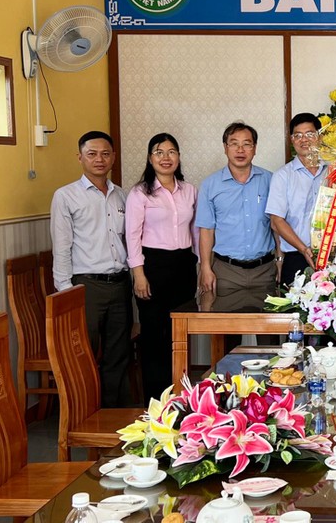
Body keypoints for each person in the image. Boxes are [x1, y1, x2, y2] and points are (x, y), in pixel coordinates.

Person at [50, 130, 132, 407]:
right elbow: (61, 246)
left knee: (117, 353)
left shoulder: (122, 195)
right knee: (82, 352)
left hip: (120, 283)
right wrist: (66, 292)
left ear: (113, 158)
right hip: (85, 286)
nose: (99, 159)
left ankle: (111, 412)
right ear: (80, 157)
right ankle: (83, 411)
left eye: (105, 154)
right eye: (92, 154)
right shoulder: (66, 196)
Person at [125, 133, 198, 402]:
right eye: (159, 152)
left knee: (180, 335)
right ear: (149, 158)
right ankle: (156, 403)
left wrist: (201, 265)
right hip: (152, 267)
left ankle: (182, 398)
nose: (165, 158)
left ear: (178, 157)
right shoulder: (139, 193)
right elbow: (132, 235)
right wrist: (139, 274)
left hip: (183, 266)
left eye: (171, 152)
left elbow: (196, 231)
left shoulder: (189, 190)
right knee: (155, 337)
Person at [196, 122, 277, 315]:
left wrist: (280, 259)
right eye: (234, 143)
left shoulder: (270, 180)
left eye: (247, 144)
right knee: (225, 336)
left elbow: (277, 224)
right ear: (225, 148)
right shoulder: (210, 185)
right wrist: (206, 268)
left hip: (264, 270)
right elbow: (206, 230)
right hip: (226, 272)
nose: (240, 150)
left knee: (269, 338)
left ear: (255, 148)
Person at [266, 113, 328, 286]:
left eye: (309, 134)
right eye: (298, 135)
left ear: (319, 137)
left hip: (333, 256)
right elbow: (276, 221)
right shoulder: (282, 176)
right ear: (292, 140)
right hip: (297, 258)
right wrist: (304, 249)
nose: (304, 140)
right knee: (294, 312)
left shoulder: (334, 171)